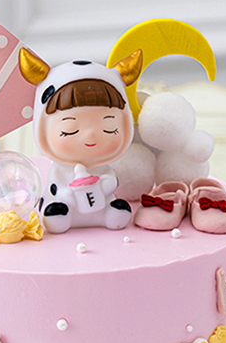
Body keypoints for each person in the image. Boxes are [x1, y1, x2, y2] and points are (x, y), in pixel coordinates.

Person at [19, 49, 142, 233]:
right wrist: (66, 194)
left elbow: (111, 180)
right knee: (57, 211)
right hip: (67, 206)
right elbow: (55, 187)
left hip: (100, 207)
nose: (90, 136)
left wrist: (107, 183)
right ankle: (58, 216)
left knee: (116, 209)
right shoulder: (59, 170)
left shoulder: (103, 168)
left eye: (109, 128)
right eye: (70, 129)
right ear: (41, 127)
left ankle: (110, 215)